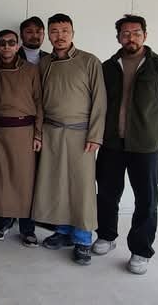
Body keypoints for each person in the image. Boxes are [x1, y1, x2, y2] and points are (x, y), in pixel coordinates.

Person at [93, 14, 158, 275]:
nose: (130, 38)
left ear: (145, 35)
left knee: (146, 200)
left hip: (146, 148)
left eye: (136, 33)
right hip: (112, 144)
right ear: (118, 37)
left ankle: (140, 250)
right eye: (125, 34)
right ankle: (106, 236)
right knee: (106, 194)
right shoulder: (108, 67)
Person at [32, 13, 106, 265]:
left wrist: (95, 135)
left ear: (72, 33)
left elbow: (100, 101)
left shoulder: (89, 61)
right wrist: (38, 132)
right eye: (54, 31)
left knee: (81, 188)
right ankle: (63, 232)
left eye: (64, 31)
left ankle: (83, 239)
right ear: (48, 35)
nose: (60, 36)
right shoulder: (44, 64)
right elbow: (39, 101)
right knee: (57, 185)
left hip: (81, 134)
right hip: (52, 132)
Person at [0, 29, 43, 247]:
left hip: (24, 131)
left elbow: (39, 102)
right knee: (1, 179)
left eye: (11, 42)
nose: (7, 46)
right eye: (2, 43)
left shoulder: (30, 70)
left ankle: (27, 228)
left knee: (25, 180)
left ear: (18, 46)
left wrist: (38, 133)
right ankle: (2, 223)